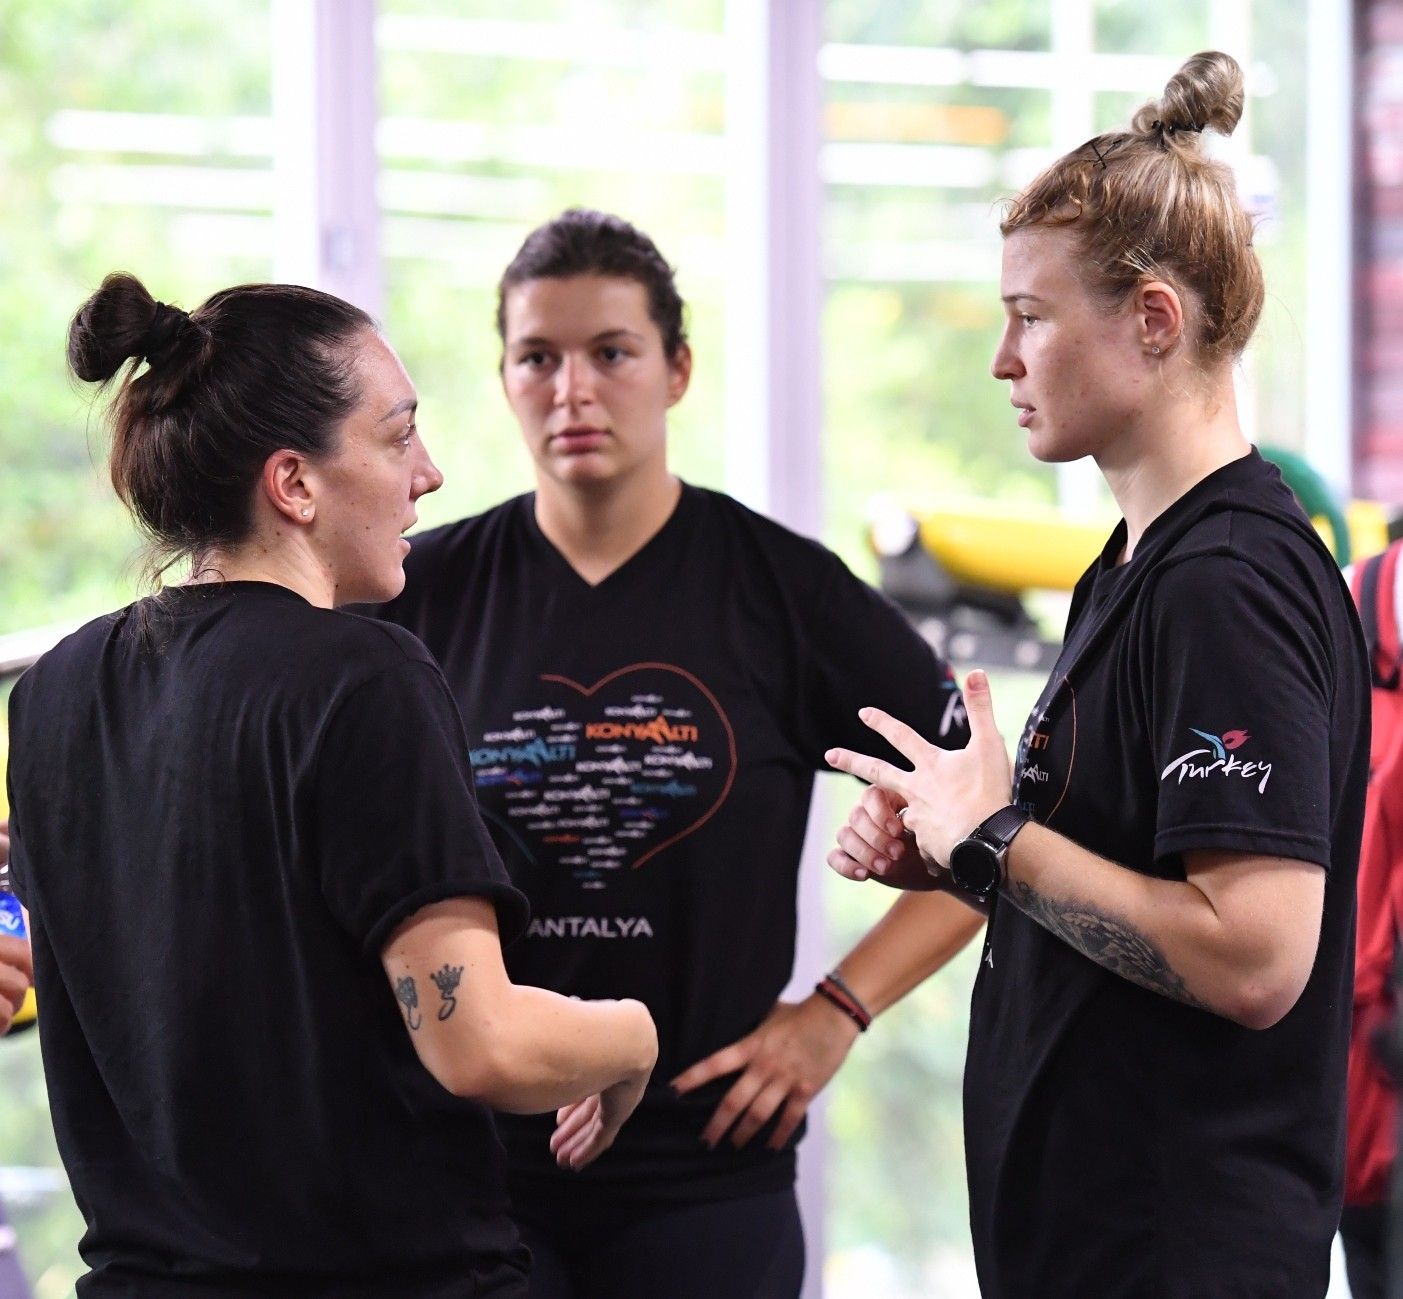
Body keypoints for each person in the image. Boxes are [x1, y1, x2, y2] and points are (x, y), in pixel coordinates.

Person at [825, 51, 1369, 1299]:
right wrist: (962, 849)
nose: (1000, 360)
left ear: (1153, 321)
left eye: (1030, 316)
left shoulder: (1224, 584)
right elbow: (1120, 876)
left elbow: (1253, 959)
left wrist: (998, 838)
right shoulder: (1135, 563)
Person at [4, 274, 658, 1298]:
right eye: (398, 439)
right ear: (294, 485)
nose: (428, 475)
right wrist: (632, 1035)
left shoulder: (53, 693)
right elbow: (479, 1044)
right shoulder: (365, 677)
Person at [373, 208, 983, 1298]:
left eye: (611, 352)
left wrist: (836, 1010)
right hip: (466, 1174)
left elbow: (988, 825)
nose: (573, 390)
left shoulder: (783, 591)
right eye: (537, 357)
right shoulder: (418, 595)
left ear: (678, 370)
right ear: (503, 377)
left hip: (708, 1178)